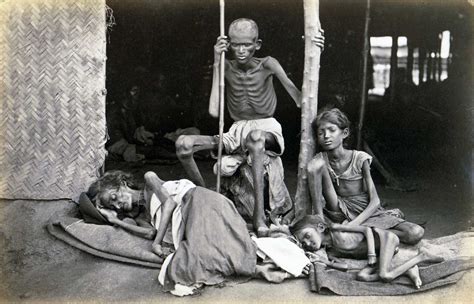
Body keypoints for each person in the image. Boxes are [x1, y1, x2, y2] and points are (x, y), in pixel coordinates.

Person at [175, 18, 324, 236]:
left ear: (258, 44)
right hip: (236, 130)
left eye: (247, 44)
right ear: (229, 44)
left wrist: (316, 49)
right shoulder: (226, 66)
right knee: (183, 144)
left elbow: (300, 98)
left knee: (255, 137)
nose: (241, 50)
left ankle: (259, 217)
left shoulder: (268, 64)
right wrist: (218, 60)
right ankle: (206, 196)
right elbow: (214, 111)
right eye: (236, 44)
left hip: (266, 128)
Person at [86, 170, 258, 293]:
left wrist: (156, 243)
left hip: (200, 201)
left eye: (114, 197)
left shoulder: (150, 181)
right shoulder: (142, 217)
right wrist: (116, 221)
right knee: (187, 264)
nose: (117, 204)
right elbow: (150, 233)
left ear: (121, 183)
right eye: (112, 206)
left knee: (195, 259)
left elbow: (169, 204)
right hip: (188, 221)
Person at [306, 108, 425, 245]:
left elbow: (375, 201)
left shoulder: (360, 158)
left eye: (332, 130)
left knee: (415, 232)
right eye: (321, 132)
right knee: (316, 165)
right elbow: (316, 192)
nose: (326, 135)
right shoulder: (320, 160)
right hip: (338, 210)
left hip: (365, 211)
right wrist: (319, 222)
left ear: (345, 133)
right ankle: (359, 234)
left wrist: (353, 225)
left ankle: (363, 234)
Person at [291, 214, 443, 288]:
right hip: (378, 253)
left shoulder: (337, 230)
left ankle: (421, 256)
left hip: (386, 239)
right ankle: (407, 268)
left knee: (384, 275)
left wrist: (370, 253)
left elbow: (367, 230)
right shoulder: (331, 251)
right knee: (362, 276)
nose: (307, 243)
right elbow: (345, 267)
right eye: (304, 243)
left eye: (307, 235)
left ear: (320, 227)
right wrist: (323, 261)